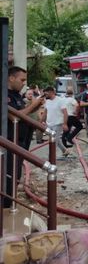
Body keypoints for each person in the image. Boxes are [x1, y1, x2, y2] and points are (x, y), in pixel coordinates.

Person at [5, 67, 43, 207]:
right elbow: (14, 116)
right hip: (9, 143)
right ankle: (6, 207)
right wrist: (33, 104)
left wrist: (35, 106)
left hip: (20, 143)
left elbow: (23, 114)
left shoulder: (16, 95)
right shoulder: (5, 95)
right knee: (8, 177)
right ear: (11, 78)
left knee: (15, 176)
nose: (24, 83)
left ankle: (11, 204)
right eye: (22, 80)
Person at [41, 87, 72, 157]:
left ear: (51, 92)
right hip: (49, 124)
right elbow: (45, 112)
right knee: (56, 140)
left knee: (54, 141)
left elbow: (65, 113)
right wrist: (41, 122)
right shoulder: (47, 101)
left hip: (58, 124)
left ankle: (51, 157)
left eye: (46, 94)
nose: (45, 95)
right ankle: (65, 151)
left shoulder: (60, 100)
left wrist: (64, 124)